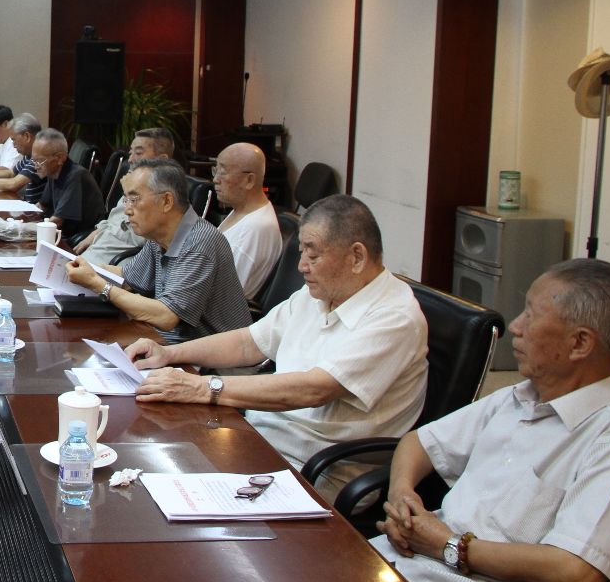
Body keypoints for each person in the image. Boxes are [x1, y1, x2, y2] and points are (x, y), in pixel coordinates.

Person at [372, 259, 610, 582]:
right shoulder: (521, 395)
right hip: (406, 568)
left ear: (579, 343)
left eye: (531, 316)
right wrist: (403, 498)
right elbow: (420, 443)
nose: (516, 327)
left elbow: (578, 571)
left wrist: (449, 546)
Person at [123, 194, 426, 495]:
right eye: (302, 253)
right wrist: (169, 353)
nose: (302, 266)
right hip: (260, 438)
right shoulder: (321, 293)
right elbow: (249, 342)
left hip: (315, 471)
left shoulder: (395, 317)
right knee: (147, 458)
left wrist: (201, 387)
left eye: (313, 256)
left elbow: (315, 389)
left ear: (357, 257)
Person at [67, 158, 249, 342]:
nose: (127, 210)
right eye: (126, 200)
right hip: (168, 341)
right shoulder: (159, 236)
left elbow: (166, 316)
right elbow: (126, 278)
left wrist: (98, 284)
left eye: (134, 200)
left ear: (166, 201)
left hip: (212, 354)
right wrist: (78, 268)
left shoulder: (199, 243)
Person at [75, 127, 175, 265]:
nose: (131, 159)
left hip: (110, 267)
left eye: (138, 153)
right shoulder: (136, 184)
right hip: (89, 257)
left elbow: (144, 242)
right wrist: (98, 232)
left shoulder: (163, 199)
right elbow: (115, 220)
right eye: (131, 152)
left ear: (162, 159)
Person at [211, 142, 283, 299]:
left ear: (249, 180)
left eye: (223, 172)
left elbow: (224, 297)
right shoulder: (242, 210)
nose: (216, 179)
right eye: (215, 170)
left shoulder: (254, 229)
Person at [32, 127, 106, 244]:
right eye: (34, 160)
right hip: (61, 234)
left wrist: (27, 231)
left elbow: (57, 221)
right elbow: (42, 205)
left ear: (59, 158)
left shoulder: (75, 176)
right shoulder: (53, 171)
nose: (35, 166)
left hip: (77, 239)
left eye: (39, 161)